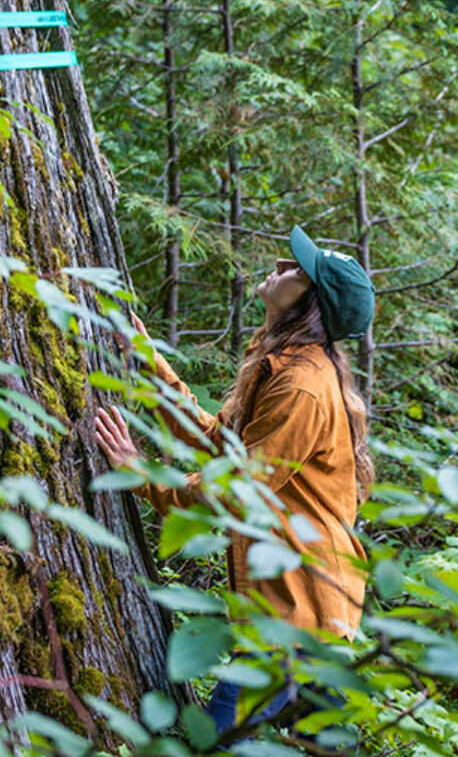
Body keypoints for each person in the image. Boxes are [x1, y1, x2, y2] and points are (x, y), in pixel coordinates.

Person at [92, 225, 377, 740]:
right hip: (304, 613)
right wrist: (151, 364)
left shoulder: (302, 386)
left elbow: (237, 487)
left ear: (310, 302)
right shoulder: (286, 368)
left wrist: (144, 477)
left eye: (298, 269)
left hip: (299, 617)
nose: (283, 265)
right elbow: (224, 449)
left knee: (216, 743)